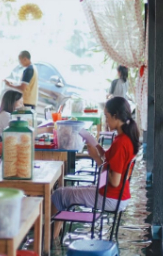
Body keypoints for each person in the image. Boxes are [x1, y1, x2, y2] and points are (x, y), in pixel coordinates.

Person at [51, 97, 139, 238]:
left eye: (107, 116)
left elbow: (114, 180)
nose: (105, 120)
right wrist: (96, 146)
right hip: (115, 194)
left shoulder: (121, 143)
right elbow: (110, 162)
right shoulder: (124, 138)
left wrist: (96, 158)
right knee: (63, 193)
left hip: (111, 197)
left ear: (116, 116)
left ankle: (47, 243)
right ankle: (53, 237)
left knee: (58, 195)